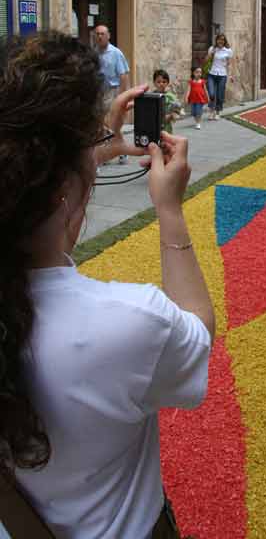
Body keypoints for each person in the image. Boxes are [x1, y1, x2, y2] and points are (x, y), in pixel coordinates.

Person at [0, 31, 215, 538]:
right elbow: (199, 333)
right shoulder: (126, 323)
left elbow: (35, 184)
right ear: (66, 191)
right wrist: (169, 209)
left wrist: (89, 149)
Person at [95, 25, 130, 164]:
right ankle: (107, 151)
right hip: (99, 92)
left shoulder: (116, 53)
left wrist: (122, 96)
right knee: (101, 123)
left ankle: (122, 151)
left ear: (108, 35)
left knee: (111, 124)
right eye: (97, 34)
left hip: (112, 91)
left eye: (102, 34)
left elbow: (123, 75)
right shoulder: (94, 53)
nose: (99, 36)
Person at [206, 33, 233, 121]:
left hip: (222, 75)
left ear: (224, 41)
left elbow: (229, 64)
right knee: (212, 93)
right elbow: (206, 60)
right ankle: (211, 111)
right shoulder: (212, 48)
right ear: (216, 40)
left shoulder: (228, 51)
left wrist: (231, 75)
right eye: (219, 39)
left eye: (222, 39)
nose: (220, 41)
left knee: (220, 95)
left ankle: (217, 112)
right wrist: (211, 54)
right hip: (212, 74)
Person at [153, 69, 185, 134]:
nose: (161, 84)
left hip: (166, 123)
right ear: (154, 83)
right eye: (158, 82)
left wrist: (172, 115)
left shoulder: (170, 96)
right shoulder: (152, 95)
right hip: (154, 123)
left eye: (164, 82)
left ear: (167, 83)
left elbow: (177, 106)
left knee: (167, 139)